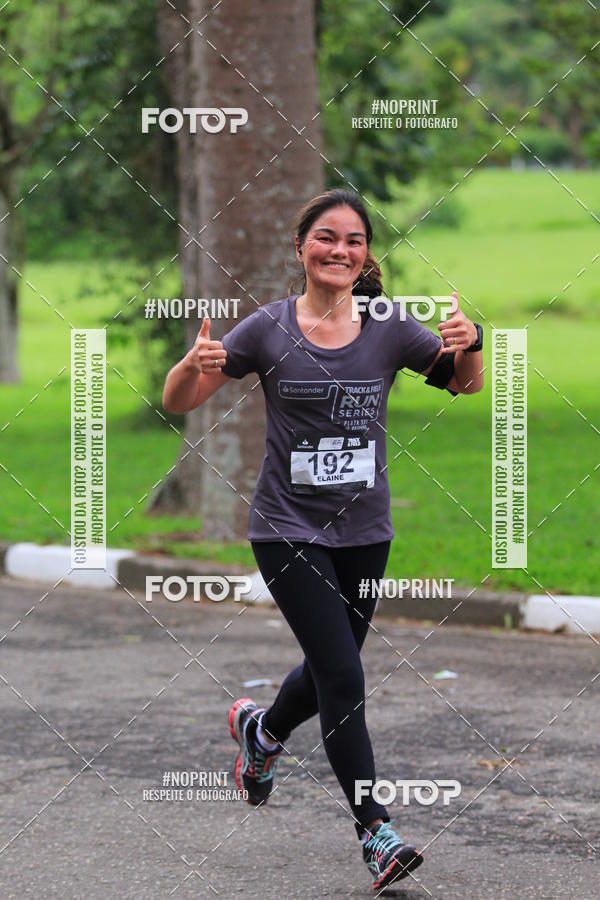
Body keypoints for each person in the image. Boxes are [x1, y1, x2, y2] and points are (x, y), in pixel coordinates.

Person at [162, 189, 484, 890]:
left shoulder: (388, 326)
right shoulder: (267, 329)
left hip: (365, 531)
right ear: (301, 246)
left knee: (328, 668)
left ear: (366, 255)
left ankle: (262, 733)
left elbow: (463, 386)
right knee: (343, 676)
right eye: (327, 237)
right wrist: (192, 364)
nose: (340, 250)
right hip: (287, 528)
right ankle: (376, 832)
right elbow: (179, 401)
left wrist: (473, 345)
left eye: (354, 240)